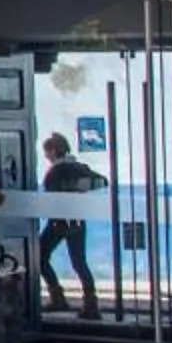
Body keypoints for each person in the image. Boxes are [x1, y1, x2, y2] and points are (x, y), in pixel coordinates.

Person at [37, 134, 105, 320]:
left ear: (53, 151)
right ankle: (91, 304)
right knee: (79, 262)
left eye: (46, 152)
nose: (46, 156)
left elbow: (51, 197)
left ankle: (57, 297)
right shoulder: (80, 167)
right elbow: (102, 181)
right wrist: (78, 187)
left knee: (40, 257)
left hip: (59, 221)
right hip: (77, 221)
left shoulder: (55, 172)